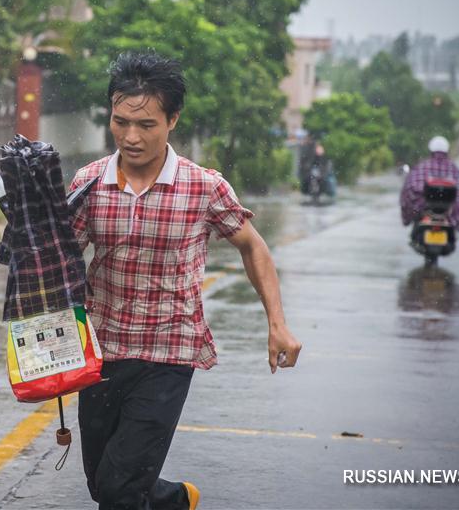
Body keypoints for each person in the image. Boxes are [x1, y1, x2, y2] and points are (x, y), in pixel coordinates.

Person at [69, 52, 303, 510]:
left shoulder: (203, 186)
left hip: (168, 352)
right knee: (104, 483)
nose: (131, 137)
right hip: (101, 350)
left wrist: (277, 321)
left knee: (119, 489)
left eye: (147, 125)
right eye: (120, 123)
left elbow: (252, 246)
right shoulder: (89, 182)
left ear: (173, 119)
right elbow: (61, 262)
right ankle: (173, 501)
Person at [400, 135, 459, 239]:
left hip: (424, 208)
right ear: (447, 151)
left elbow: (410, 187)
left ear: (431, 150)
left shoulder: (422, 166)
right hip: (449, 212)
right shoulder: (453, 168)